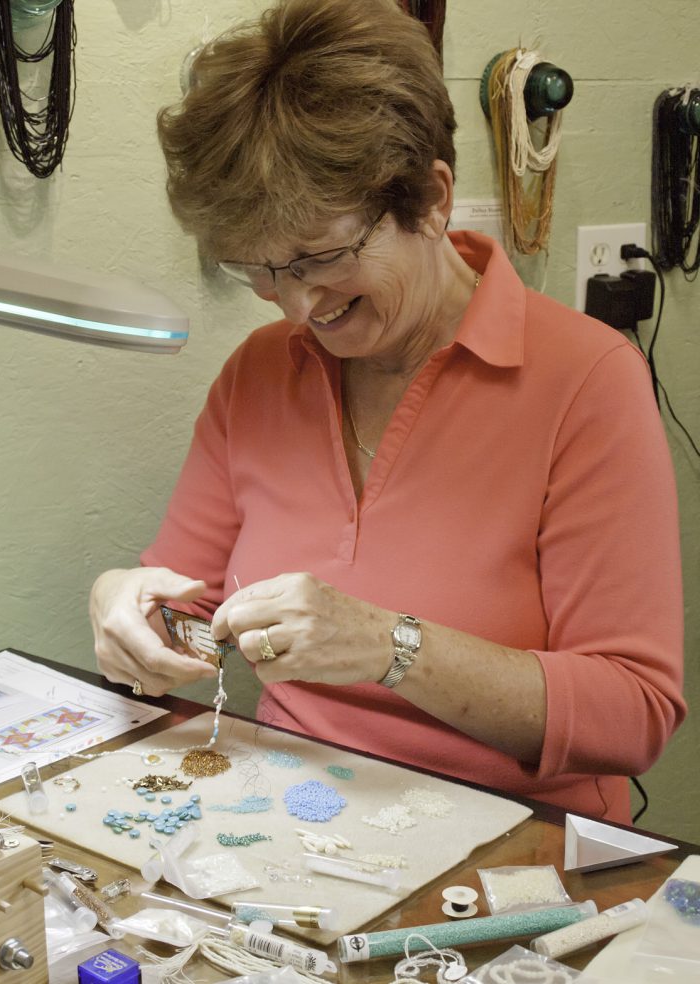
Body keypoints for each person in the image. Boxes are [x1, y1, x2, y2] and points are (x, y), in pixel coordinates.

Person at [89, 0, 685, 824]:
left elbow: (633, 713)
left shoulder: (588, 382)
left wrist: (387, 647)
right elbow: (183, 602)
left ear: (433, 199)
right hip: (293, 816)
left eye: (320, 258)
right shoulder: (260, 375)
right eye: (258, 271)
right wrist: (123, 602)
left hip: (512, 842)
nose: (295, 307)